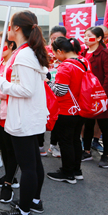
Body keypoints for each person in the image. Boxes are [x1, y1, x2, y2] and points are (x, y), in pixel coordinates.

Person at [0, 10, 49, 215]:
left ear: (16, 28)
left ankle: (24, 213)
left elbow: (26, 89)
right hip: (30, 117)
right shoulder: (28, 51)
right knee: (33, 163)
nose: (7, 30)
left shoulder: (24, 54)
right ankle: (33, 201)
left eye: (9, 25)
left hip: (24, 118)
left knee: (28, 166)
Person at [47, 37, 87, 184]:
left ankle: (67, 173)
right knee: (75, 140)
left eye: (55, 53)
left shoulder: (66, 66)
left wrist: (48, 82)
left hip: (66, 109)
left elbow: (60, 90)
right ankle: (77, 171)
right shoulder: (83, 61)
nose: (55, 57)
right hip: (81, 107)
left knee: (66, 142)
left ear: (60, 51)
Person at [0, 33, 20, 203]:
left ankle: (9, 182)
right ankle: (8, 177)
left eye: (1, 45)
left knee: (10, 149)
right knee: (2, 146)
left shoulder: (14, 64)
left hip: (8, 112)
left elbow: (11, 89)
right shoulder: (1, 62)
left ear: (11, 46)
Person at [81, 27, 108, 168]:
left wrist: (103, 95)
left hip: (102, 95)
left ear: (99, 38)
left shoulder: (106, 53)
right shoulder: (84, 53)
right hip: (88, 95)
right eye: (84, 35)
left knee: (105, 126)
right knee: (88, 124)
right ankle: (87, 151)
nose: (85, 38)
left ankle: (106, 155)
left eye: (89, 36)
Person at [45, 26, 67, 158]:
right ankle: (45, 145)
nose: (54, 41)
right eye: (52, 38)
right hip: (48, 87)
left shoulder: (66, 50)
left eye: (57, 38)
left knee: (59, 118)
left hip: (60, 87)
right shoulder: (45, 50)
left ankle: (54, 145)